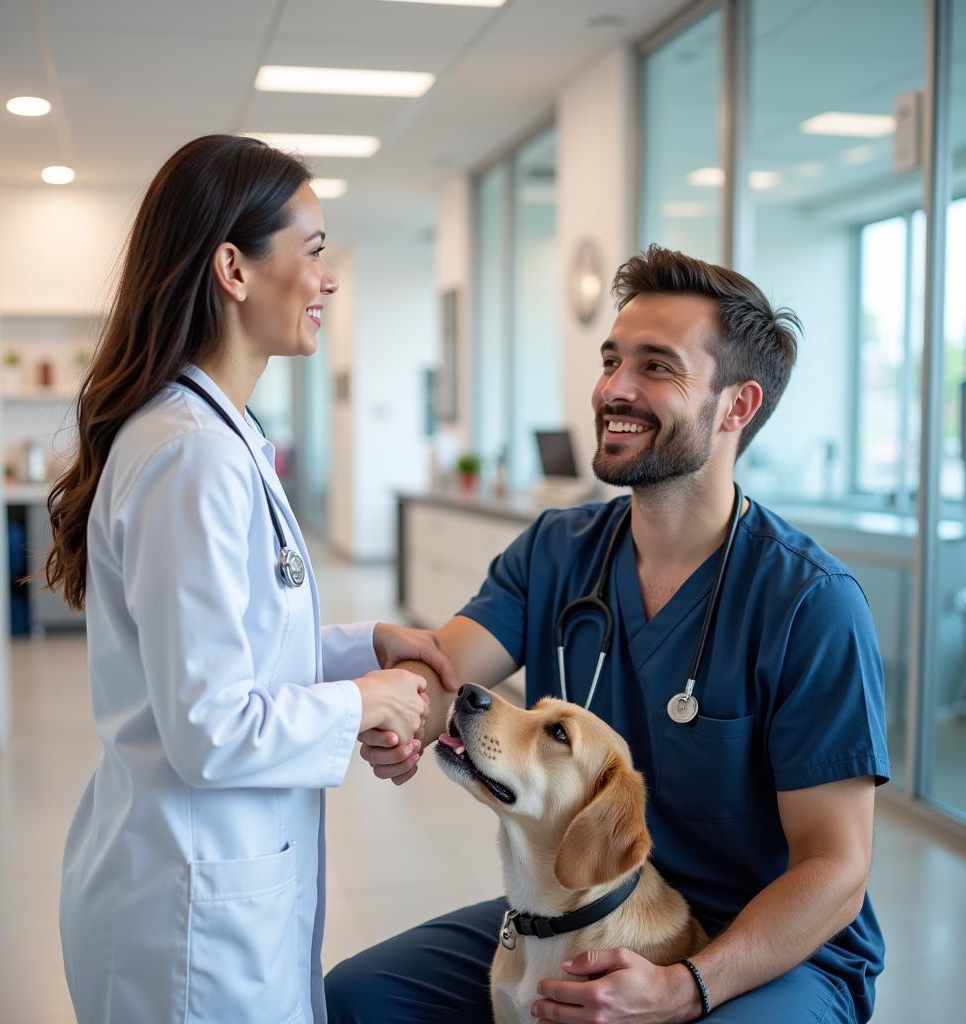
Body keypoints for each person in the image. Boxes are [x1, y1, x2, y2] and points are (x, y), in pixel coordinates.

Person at [327, 246, 889, 1024]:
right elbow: (441, 684)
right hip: (593, 903)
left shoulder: (810, 604)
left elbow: (836, 867)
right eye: (611, 360)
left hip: (766, 947)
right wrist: (400, 718)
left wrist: (685, 986)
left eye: (656, 367)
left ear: (737, 406)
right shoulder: (557, 552)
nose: (613, 389)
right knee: (357, 1002)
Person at [44, 134, 456, 1024]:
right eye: (311, 252)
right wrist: (367, 701)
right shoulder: (191, 455)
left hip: (212, 884)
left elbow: (241, 646)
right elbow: (209, 726)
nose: (327, 279)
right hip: (186, 917)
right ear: (233, 267)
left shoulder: (216, 436)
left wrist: (362, 651)